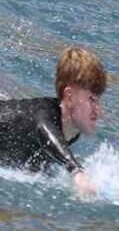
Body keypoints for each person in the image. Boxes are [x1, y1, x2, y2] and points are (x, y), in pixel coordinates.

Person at [0, 46, 105, 196]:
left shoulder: (70, 131)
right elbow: (45, 132)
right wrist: (77, 172)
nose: (98, 111)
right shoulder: (43, 119)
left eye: (98, 100)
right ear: (69, 96)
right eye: (91, 99)